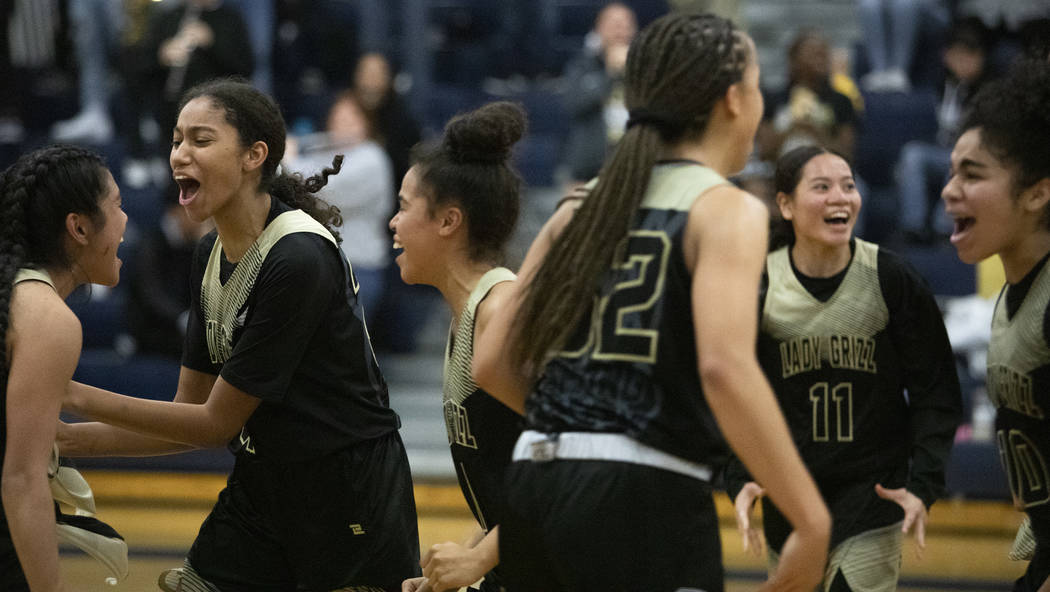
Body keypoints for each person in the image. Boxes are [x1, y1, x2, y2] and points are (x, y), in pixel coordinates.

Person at [473, 12, 831, 592]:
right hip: (640, 493)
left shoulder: (579, 205)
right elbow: (724, 367)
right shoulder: (726, 208)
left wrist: (580, 431)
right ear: (733, 100)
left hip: (534, 481)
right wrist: (812, 521)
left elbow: (490, 363)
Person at [58, 78, 420, 591]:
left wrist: (69, 394)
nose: (180, 154)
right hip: (263, 481)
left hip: (345, 490)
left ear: (255, 155)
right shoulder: (209, 254)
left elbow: (212, 424)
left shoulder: (298, 257)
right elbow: (187, 413)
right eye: (177, 139)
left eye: (201, 140)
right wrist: (64, 437)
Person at [725, 145, 963, 591]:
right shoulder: (759, 281)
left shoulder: (891, 279)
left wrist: (924, 482)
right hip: (790, 491)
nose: (841, 197)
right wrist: (739, 474)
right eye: (822, 187)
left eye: (849, 186)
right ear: (786, 205)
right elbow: (733, 389)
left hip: (873, 491)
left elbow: (937, 392)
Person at [391, 101, 525, 592]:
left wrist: (477, 561)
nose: (394, 223)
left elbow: (577, 461)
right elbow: (514, 492)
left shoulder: (501, 313)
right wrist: (467, 566)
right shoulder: (466, 318)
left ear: (449, 221)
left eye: (404, 207)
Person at [941, 59, 1050, 591]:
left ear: (1036, 193)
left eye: (972, 174)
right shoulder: (1015, 291)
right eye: (952, 170)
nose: (948, 190)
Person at [1, 144, 127, 591]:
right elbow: (21, 479)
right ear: (78, 227)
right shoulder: (50, 319)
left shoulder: (18, 297)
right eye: (116, 205)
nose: (126, 220)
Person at [285, 90, 393, 320]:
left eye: (351, 119)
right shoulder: (325, 156)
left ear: (366, 124)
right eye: (338, 118)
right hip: (323, 267)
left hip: (358, 269)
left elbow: (323, 189)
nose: (343, 125)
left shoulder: (372, 158)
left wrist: (288, 157)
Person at [895, 18, 994, 246]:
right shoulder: (942, 82)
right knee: (912, 155)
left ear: (980, 58)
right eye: (956, 56)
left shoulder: (989, 91)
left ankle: (944, 229)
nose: (961, 63)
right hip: (940, 149)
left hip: (975, 154)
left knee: (957, 159)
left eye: (968, 56)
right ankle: (913, 227)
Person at [126, 181, 211, 359]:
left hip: (187, 335)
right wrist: (182, 318)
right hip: (152, 338)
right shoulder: (151, 245)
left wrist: (206, 247)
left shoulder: (199, 243)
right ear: (178, 209)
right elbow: (151, 295)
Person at [560, 2, 638, 189]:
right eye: (613, 24)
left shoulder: (645, 69)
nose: (620, 30)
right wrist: (611, 74)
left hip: (633, 167)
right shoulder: (581, 65)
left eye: (625, 25)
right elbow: (574, 105)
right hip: (588, 169)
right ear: (598, 29)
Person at [757, 29, 858, 163]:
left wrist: (815, 132)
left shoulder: (841, 101)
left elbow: (846, 155)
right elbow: (764, 152)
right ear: (793, 60)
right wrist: (793, 128)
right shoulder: (773, 98)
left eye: (824, 54)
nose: (821, 59)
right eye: (813, 54)